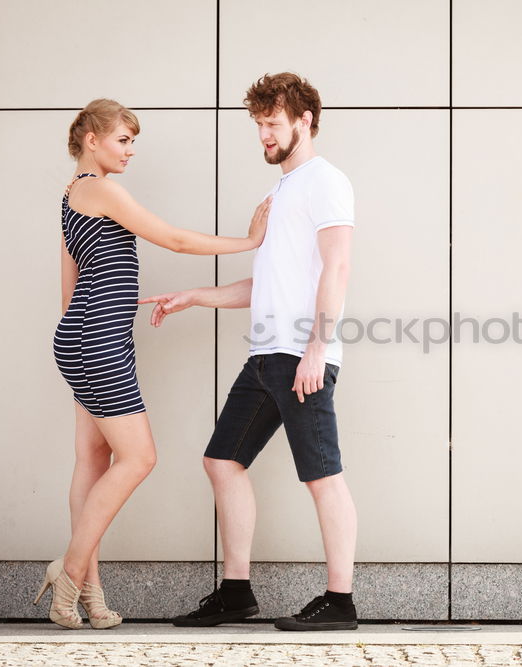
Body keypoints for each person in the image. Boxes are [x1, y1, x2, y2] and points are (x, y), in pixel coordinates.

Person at [34, 98, 270, 629]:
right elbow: (175, 239)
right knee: (139, 458)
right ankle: (69, 570)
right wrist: (251, 241)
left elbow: (68, 282)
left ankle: (89, 596)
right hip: (96, 341)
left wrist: (87, 338)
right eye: (123, 140)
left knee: (92, 463)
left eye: (133, 141)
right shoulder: (101, 189)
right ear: (91, 138)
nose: (130, 151)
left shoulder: (72, 195)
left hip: (84, 337)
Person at [140, 73, 358, 631]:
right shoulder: (279, 192)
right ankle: (236, 592)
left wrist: (317, 347)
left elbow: (337, 267)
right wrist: (195, 296)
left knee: (322, 476)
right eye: (258, 125)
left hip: (301, 356)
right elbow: (265, 285)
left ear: (304, 121)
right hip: (265, 357)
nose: (263, 135)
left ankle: (340, 602)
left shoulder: (325, 182)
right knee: (222, 461)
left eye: (272, 124)